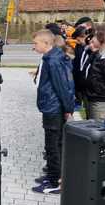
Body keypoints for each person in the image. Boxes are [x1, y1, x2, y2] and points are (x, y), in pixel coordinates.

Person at [31, 29, 75, 194]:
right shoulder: (50, 57)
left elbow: (63, 87)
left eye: (36, 43)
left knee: (53, 146)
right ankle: (52, 174)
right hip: (51, 106)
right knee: (53, 144)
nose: (34, 46)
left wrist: (68, 109)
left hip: (54, 108)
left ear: (46, 43)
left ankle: (54, 181)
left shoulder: (54, 61)